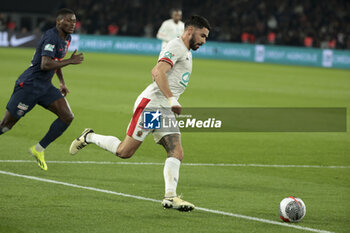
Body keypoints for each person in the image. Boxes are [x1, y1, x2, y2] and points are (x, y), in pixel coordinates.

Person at [70, 15, 210, 211]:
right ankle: (89, 136)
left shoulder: (186, 50)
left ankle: (170, 197)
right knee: (124, 152)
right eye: (202, 36)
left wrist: (169, 102)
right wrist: (172, 98)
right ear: (190, 31)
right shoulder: (176, 46)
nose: (204, 41)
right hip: (152, 106)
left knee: (176, 151)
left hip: (164, 108)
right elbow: (157, 71)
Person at [0, 8, 84, 171]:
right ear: (59, 21)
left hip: (45, 87)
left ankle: (38, 149)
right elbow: (45, 64)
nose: (73, 24)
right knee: (6, 125)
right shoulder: (51, 37)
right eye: (69, 20)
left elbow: (56, 60)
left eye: (74, 21)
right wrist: (70, 61)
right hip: (29, 86)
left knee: (67, 116)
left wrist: (61, 82)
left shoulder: (67, 38)